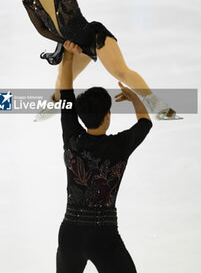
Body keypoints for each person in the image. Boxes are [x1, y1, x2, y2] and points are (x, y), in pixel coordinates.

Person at [9, 0, 182, 120]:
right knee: (61, 87)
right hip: (72, 45)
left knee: (120, 71)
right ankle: (54, 102)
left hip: (93, 36)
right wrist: (65, 43)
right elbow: (41, 29)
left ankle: (158, 105)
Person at [57, 46, 152, 273]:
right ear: (108, 115)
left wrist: (68, 56)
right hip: (103, 237)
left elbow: (66, 92)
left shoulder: (72, 136)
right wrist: (135, 98)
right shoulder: (120, 146)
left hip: (70, 233)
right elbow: (145, 123)